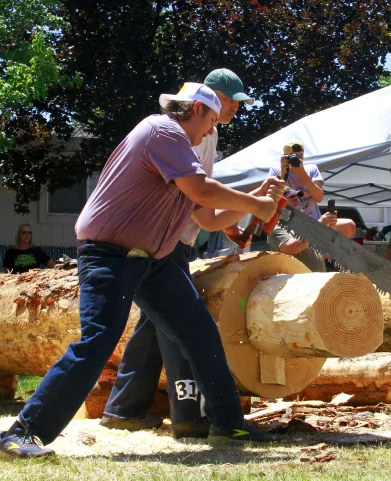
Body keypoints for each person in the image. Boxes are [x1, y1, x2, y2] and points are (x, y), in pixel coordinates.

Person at [0, 81, 284, 459]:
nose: (212, 131)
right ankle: (22, 433)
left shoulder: (180, 157)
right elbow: (202, 191)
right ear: (196, 110)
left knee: (199, 332)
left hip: (154, 260)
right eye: (211, 121)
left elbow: (210, 218)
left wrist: (257, 202)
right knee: (98, 340)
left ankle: (228, 424)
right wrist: (255, 205)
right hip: (109, 254)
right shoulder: (161, 130)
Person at [101, 69, 263, 440]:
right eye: (232, 103)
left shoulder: (208, 131)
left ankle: (124, 409)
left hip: (175, 236)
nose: (235, 111)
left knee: (155, 322)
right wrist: (251, 203)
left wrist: (227, 221)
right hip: (166, 238)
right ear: (212, 101)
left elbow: (201, 197)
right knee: (184, 325)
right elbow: (193, 189)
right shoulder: (178, 132)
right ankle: (189, 414)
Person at [268, 140, 356, 239]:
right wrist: (283, 173)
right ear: (285, 157)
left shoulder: (311, 168)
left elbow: (319, 197)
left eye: (300, 156)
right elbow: (273, 199)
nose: (297, 159)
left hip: (315, 221)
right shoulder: (276, 170)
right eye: (293, 156)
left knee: (349, 225)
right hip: (290, 222)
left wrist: (302, 173)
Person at [267, 189, 334, 272]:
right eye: (293, 199)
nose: (298, 202)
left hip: (317, 281)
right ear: (280, 203)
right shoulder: (276, 227)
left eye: (298, 199)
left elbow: (324, 254)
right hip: (298, 283)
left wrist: (329, 228)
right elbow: (293, 247)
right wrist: (319, 225)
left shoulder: (302, 226)